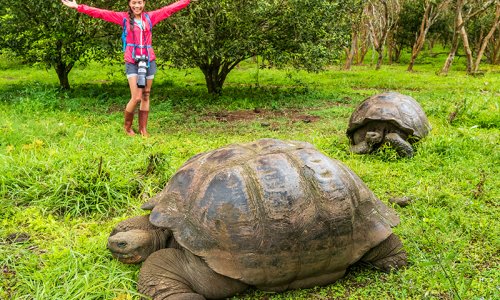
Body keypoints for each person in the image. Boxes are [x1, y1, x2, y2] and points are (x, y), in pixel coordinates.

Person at [61, 0, 191, 136]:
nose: (137, 6)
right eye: (134, 3)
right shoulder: (123, 18)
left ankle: (143, 129)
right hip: (132, 61)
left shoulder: (150, 17)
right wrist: (78, 7)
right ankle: (127, 127)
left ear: (144, 3)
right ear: (129, 4)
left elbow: (170, 9)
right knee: (136, 97)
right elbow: (102, 13)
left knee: (146, 95)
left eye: (139, 2)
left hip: (148, 60)